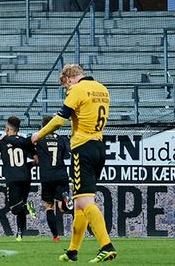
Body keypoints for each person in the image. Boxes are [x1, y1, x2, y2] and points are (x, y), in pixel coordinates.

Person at [30, 63, 117, 263]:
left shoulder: (77, 89)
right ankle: (72, 250)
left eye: (65, 86)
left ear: (69, 78)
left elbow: (60, 120)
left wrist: (39, 134)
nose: (67, 90)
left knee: (86, 202)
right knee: (79, 203)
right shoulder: (102, 89)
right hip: (98, 147)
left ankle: (106, 245)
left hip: (82, 148)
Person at [0, 115, 38, 241]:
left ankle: (27, 207)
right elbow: (37, 160)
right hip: (26, 177)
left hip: (12, 178)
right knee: (21, 205)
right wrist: (27, 165)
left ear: (7, 129)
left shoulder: (2, 142)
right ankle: (20, 234)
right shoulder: (24, 141)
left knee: (14, 208)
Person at [36, 114, 73, 241]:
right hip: (61, 174)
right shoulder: (62, 139)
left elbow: (34, 156)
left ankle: (56, 236)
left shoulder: (39, 139)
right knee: (62, 208)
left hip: (47, 176)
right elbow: (67, 156)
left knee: (49, 206)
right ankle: (65, 199)